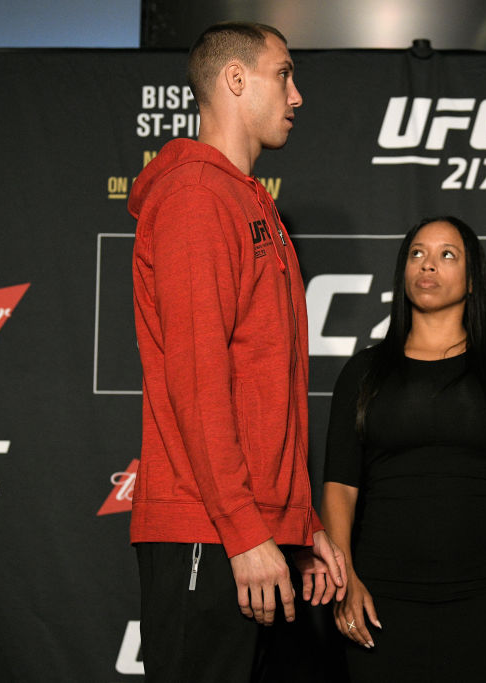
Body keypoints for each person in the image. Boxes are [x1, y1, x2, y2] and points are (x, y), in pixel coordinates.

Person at [128, 22, 345, 682]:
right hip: (211, 528)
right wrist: (246, 529)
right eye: (284, 74)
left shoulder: (248, 202)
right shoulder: (196, 196)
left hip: (250, 529)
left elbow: (265, 388)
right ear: (235, 79)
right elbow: (199, 380)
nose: (297, 94)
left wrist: (298, 525)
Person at [320, 216, 486, 682]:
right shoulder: (362, 373)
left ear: (472, 279)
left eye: (448, 255)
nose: (429, 265)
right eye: (417, 253)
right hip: (380, 601)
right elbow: (339, 488)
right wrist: (346, 583)